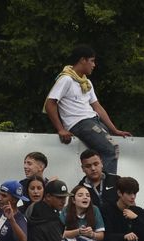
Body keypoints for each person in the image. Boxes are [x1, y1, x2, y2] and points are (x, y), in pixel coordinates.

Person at [44, 45, 130, 175]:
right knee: (111, 149)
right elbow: (50, 103)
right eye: (92, 61)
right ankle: (108, 185)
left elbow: (97, 107)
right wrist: (61, 129)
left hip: (93, 122)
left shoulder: (86, 82)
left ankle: (97, 183)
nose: (94, 65)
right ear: (82, 60)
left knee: (100, 155)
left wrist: (114, 130)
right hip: (80, 123)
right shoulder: (66, 79)